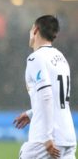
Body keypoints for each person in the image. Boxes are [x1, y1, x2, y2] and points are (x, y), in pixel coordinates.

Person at [13, 15, 76, 159]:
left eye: (31, 28)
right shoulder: (61, 58)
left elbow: (46, 95)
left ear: (35, 30)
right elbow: (56, 96)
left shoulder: (36, 58)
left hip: (46, 139)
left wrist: (47, 137)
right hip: (68, 137)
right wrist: (31, 113)